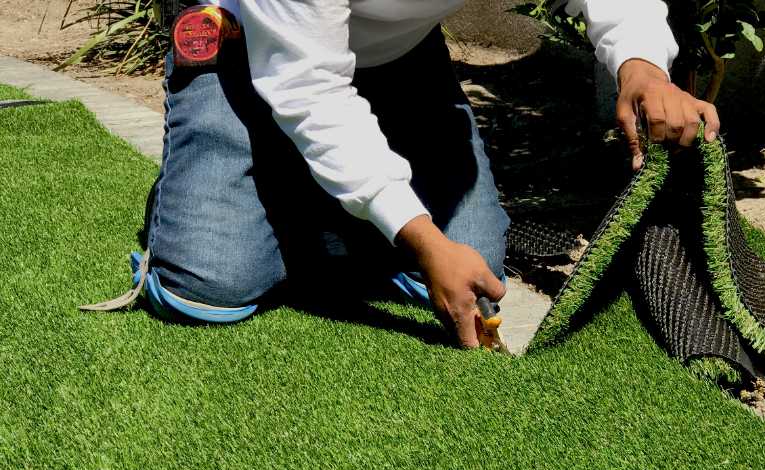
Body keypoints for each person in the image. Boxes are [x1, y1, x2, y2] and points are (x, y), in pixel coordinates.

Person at [88, 0, 720, 347]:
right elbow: (309, 90)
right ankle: (245, 193)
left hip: (397, 56)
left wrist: (641, 66)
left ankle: (307, 198)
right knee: (209, 286)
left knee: (477, 271)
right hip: (245, 49)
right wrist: (419, 235)